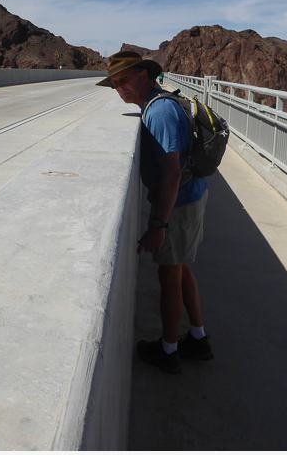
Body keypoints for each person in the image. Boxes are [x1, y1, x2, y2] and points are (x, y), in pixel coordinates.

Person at [97, 50, 213, 374]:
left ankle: (169, 349)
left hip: (179, 203)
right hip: (190, 197)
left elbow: (172, 173)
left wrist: (159, 223)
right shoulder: (157, 104)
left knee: (168, 276)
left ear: (144, 76)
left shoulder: (159, 111)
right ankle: (198, 337)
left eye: (125, 80)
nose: (121, 89)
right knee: (179, 268)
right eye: (115, 84)